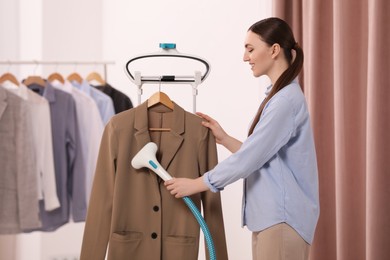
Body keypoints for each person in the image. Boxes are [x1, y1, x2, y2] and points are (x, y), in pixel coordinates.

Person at [164, 17, 320, 260]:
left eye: (250, 49)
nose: (245, 57)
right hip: (272, 219)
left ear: (274, 50)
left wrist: (197, 184)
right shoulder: (279, 97)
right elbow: (262, 157)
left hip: (282, 220)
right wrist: (225, 138)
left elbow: (249, 159)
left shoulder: (284, 102)